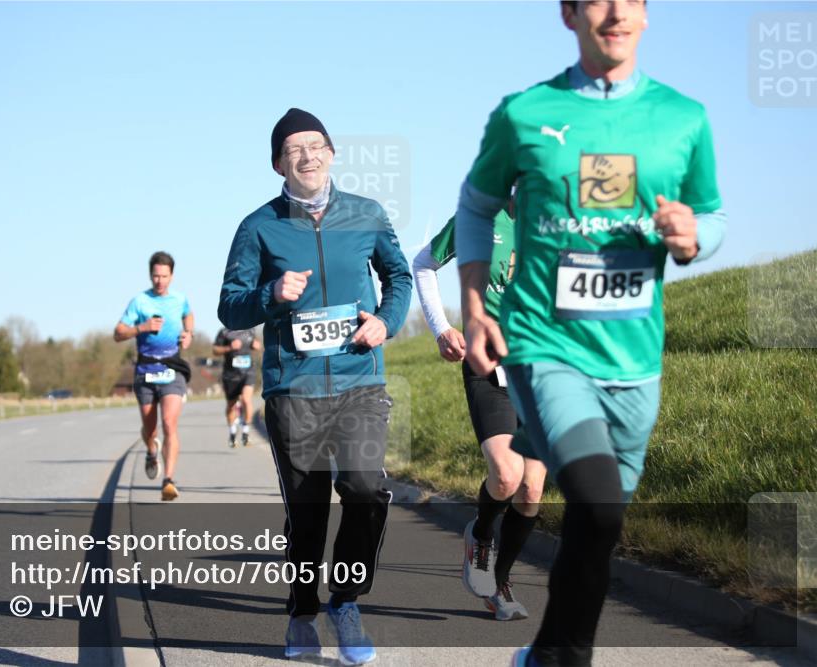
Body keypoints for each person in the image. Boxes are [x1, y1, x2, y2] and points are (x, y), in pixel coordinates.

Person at [455, 2, 727, 665]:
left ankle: (546, 654)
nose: (613, 12)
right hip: (547, 346)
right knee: (598, 506)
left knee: (598, 527)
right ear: (569, 14)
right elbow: (475, 202)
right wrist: (473, 307)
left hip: (635, 359)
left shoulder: (683, 118)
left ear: (644, 15)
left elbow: (712, 215)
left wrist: (694, 237)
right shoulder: (523, 113)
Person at [218, 108, 412, 665]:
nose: (306, 155)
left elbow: (397, 276)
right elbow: (230, 306)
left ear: (332, 152)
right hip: (294, 388)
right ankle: (303, 611)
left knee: (365, 489)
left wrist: (387, 321)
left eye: (316, 145)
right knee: (307, 510)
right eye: (293, 149)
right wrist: (270, 294)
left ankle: (345, 602)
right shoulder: (258, 226)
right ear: (278, 162)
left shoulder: (367, 214)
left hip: (359, 380)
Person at [412, 208, 546, 621]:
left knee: (531, 491)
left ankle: (500, 586)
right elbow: (423, 263)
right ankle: (481, 536)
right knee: (506, 474)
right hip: (489, 364)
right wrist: (440, 328)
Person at [114, 251, 195, 501]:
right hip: (146, 370)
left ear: (172, 275)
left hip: (172, 367)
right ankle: (151, 450)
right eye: (155, 276)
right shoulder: (139, 302)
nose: (160, 281)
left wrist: (189, 333)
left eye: (164, 276)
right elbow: (118, 333)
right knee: (150, 430)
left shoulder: (179, 299)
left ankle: (168, 480)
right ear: (150, 275)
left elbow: (188, 315)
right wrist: (142, 328)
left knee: (169, 423)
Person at [212, 327, 262, 447]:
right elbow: (215, 350)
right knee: (231, 405)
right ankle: (232, 431)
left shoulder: (251, 330)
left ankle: (245, 432)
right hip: (231, 375)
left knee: (246, 399)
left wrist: (257, 345)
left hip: (248, 371)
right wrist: (229, 347)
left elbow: (257, 344)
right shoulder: (224, 332)